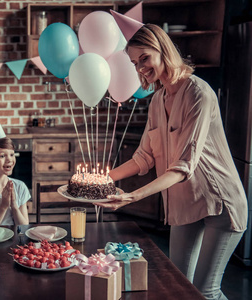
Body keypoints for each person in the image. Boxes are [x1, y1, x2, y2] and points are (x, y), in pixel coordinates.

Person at [95, 24, 248, 300]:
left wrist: (132, 197)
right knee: (178, 287)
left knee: (205, 291)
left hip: (220, 203)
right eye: (134, 62)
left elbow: (182, 167)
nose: (140, 68)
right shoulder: (157, 100)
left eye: (144, 58)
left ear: (162, 50)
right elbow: (144, 157)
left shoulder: (198, 94)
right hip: (185, 204)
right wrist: (100, 181)